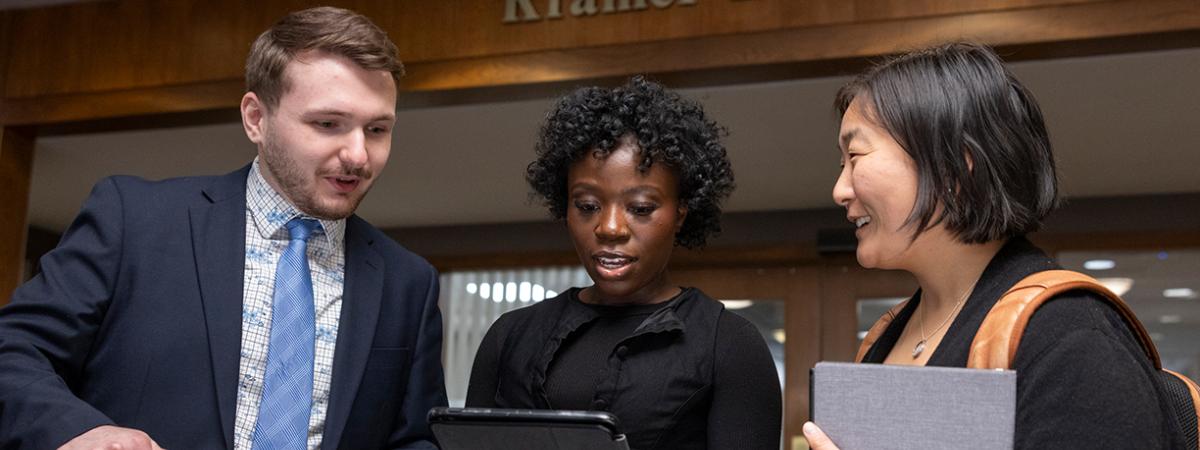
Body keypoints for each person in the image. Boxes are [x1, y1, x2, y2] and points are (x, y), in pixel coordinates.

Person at [0, 7, 447, 449]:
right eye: (328, 124)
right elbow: (14, 351)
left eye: (377, 129)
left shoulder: (408, 283)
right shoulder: (134, 221)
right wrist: (81, 431)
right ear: (256, 117)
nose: (358, 155)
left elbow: (415, 439)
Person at [803, 42, 1187, 449]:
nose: (839, 190)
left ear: (954, 165)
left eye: (856, 155)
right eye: (840, 163)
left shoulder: (1070, 337)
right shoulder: (888, 334)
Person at [464, 76, 781, 450]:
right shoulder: (509, 336)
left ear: (680, 213)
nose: (609, 228)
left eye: (641, 208)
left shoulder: (728, 344)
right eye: (587, 206)